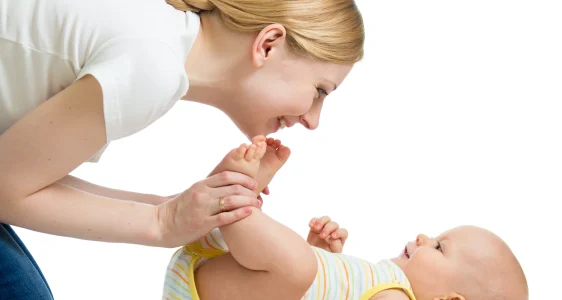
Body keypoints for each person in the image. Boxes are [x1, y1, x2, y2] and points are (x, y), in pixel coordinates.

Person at [0, 0, 364, 298]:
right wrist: (162, 224)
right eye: (319, 90)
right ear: (267, 44)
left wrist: (168, 206)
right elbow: (5, 189)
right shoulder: (152, 68)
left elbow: (19, 174)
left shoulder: (158, 39)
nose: (314, 120)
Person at [163, 136, 529, 300]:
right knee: (299, 266)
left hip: (211, 288)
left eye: (438, 246)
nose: (421, 236)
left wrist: (308, 265)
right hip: (223, 268)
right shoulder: (380, 283)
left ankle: (236, 198)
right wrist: (325, 260)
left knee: (297, 267)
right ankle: (236, 197)